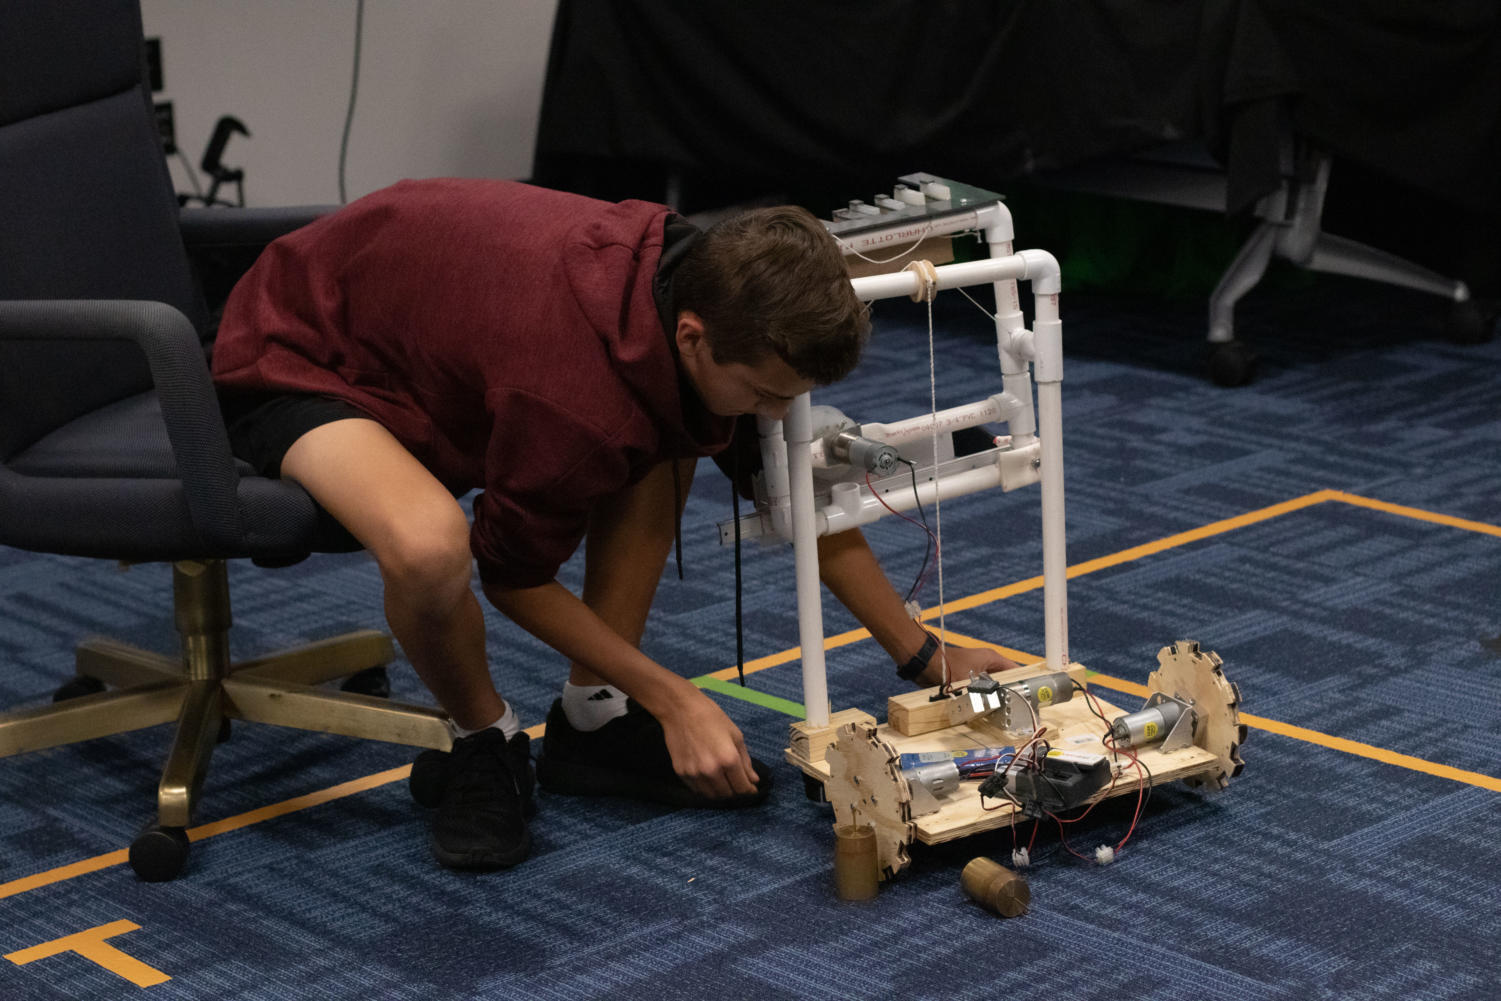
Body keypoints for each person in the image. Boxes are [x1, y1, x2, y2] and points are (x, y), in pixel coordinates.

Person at [212, 178, 1015, 872]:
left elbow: (790, 490)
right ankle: (484, 740)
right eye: (769, 394)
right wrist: (673, 697)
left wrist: (920, 653)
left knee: (674, 427)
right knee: (428, 546)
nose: (779, 413)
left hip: (430, 332)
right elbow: (514, 575)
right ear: (693, 336)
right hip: (302, 350)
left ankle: (591, 718)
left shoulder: (702, 286)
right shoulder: (572, 397)